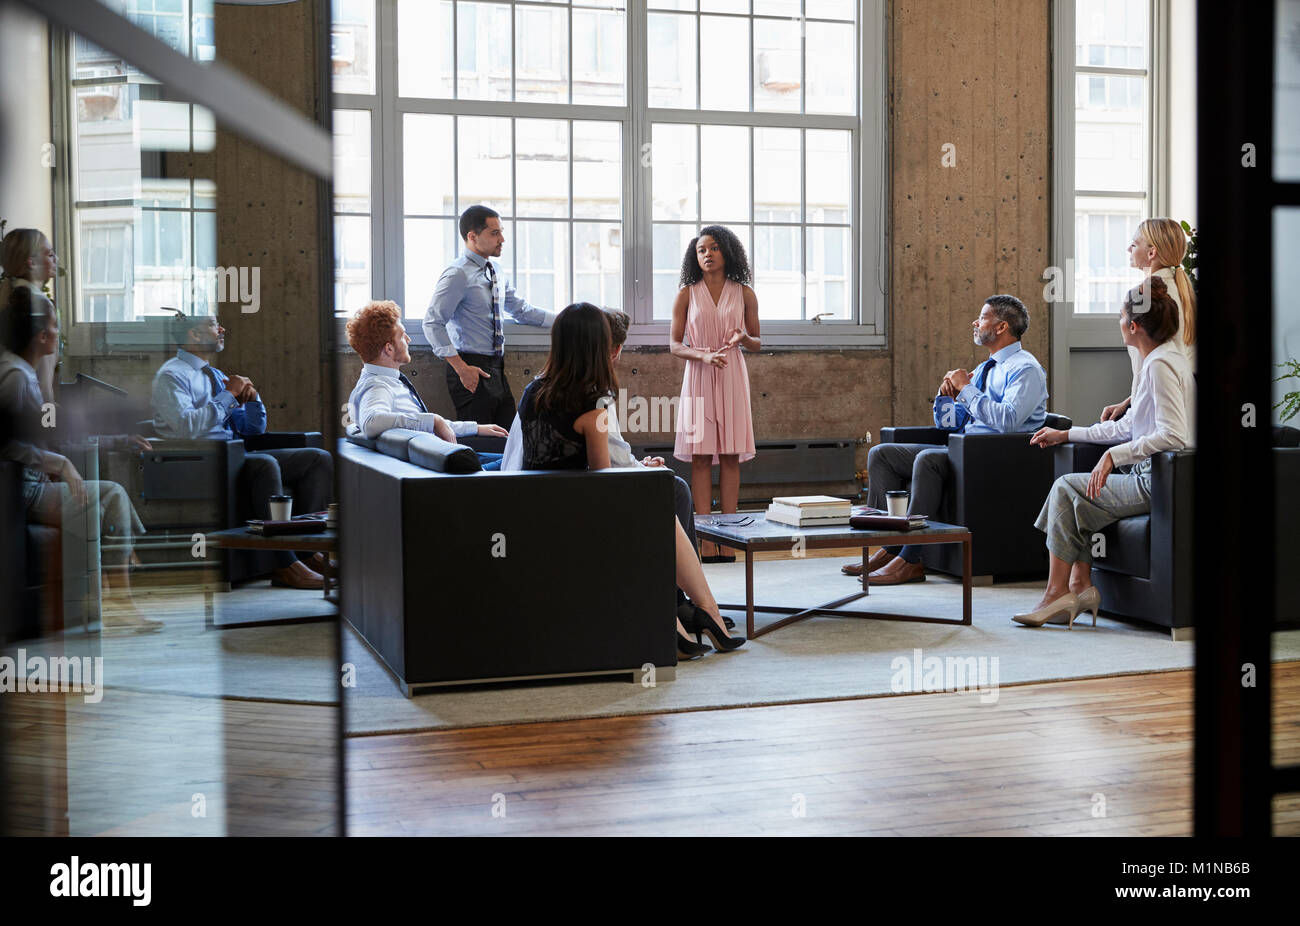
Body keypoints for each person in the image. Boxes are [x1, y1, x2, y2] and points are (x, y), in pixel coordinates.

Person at [519, 302, 744, 658]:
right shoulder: (593, 405)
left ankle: (691, 618)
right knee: (658, 506)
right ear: (597, 347)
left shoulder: (532, 392)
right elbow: (605, 482)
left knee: (656, 501)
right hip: (575, 520)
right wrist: (644, 478)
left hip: (540, 509)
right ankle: (699, 616)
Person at [1019, 277, 1194, 627]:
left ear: (1133, 325)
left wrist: (1116, 456)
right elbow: (1127, 427)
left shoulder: (1159, 366)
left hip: (1158, 481)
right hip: (1153, 475)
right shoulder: (1160, 360)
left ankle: (1059, 594)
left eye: (1119, 315)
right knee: (1076, 498)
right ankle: (1079, 587)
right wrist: (1067, 434)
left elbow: (1175, 435)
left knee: (1067, 487)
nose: (1118, 322)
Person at [847, 294, 1048, 585]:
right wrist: (945, 398)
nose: (975, 323)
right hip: (963, 450)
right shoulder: (983, 370)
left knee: (929, 459)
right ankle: (889, 547)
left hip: (995, 456)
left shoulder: (1025, 369)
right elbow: (949, 425)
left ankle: (910, 559)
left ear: (1002, 326)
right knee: (882, 454)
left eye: (983, 317)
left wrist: (966, 388)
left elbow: (1007, 421)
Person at [0, 283, 158, 632]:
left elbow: (56, 435)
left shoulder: (24, 372)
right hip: (20, 493)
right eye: (55, 325)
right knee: (109, 498)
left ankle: (115, 588)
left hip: (32, 486)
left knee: (109, 498)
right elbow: (7, 444)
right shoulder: (14, 376)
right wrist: (60, 465)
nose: (59, 333)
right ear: (41, 335)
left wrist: (118, 438)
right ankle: (117, 595)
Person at [151, 312, 332, 589]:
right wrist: (229, 395)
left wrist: (252, 398)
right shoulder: (171, 375)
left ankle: (306, 553)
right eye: (213, 324)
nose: (222, 328)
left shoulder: (216, 375)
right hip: (203, 461)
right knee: (265, 464)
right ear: (193, 334)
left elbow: (252, 430)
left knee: (316, 460)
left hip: (235, 455)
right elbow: (186, 428)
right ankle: (283, 564)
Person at [670, 225, 759, 563]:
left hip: (732, 372)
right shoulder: (686, 294)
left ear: (727, 252)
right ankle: (706, 540)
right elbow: (674, 345)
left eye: (714, 248)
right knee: (702, 456)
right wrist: (703, 355)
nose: (707, 254)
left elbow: (757, 341)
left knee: (732, 454)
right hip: (699, 373)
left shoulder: (745, 293)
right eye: (701, 250)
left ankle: (731, 537)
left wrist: (742, 339)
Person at [424, 205, 555, 428]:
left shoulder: (496, 271)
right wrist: (461, 368)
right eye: (494, 233)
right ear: (472, 237)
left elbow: (520, 309)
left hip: (497, 368)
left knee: (508, 439)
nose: (502, 239)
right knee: (481, 446)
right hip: (470, 365)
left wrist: (565, 320)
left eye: (501, 232)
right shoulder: (458, 274)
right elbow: (432, 322)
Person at [345, 300, 507, 468]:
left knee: (516, 456)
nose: (408, 339)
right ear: (389, 349)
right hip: (445, 471)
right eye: (402, 336)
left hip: (441, 461)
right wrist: (434, 420)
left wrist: (476, 428)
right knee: (525, 460)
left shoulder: (386, 382)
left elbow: (426, 426)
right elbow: (371, 422)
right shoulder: (377, 386)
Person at [1102, 217, 1197, 422]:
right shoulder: (1185, 293)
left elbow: (1143, 369)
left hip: (1159, 415)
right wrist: (1128, 402)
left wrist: (1133, 412)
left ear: (1151, 252)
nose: (1128, 249)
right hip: (1185, 407)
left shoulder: (1143, 297)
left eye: (1134, 244)